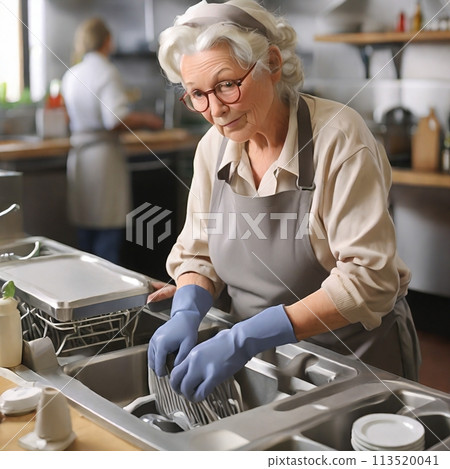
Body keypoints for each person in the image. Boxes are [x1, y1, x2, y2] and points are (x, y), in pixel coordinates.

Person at [147, 0, 421, 402]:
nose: (216, 110)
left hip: (353, 366)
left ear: (272, 64)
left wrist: (246, 336)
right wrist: (188, 305)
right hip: (261, 367)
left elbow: (369, 279)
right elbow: (198, 252)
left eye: (227, 84)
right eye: (196, 95)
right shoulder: (213, 148)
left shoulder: (339, 138)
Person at [61, 18, 163, 264]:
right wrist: (149, 120)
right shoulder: (106, 71)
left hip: (79, 156)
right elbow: (114, 120)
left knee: (84, 240)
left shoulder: (71, 73)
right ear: (108, 41)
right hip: (103, 157)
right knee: (107, 239)